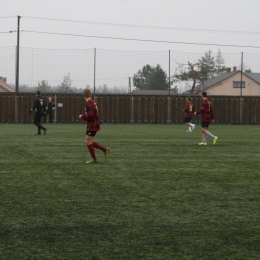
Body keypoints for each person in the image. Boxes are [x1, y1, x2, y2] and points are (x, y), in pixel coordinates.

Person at [79, 88, 110, 164]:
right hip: (94, 124)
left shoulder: (89, 103)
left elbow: (90, 116)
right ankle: (105, 150)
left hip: (92, 125)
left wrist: (82, 117)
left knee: (87, 141)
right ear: (91, 95)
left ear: (84, 95)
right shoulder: (93, 102)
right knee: (90, 141)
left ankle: (94, 158)